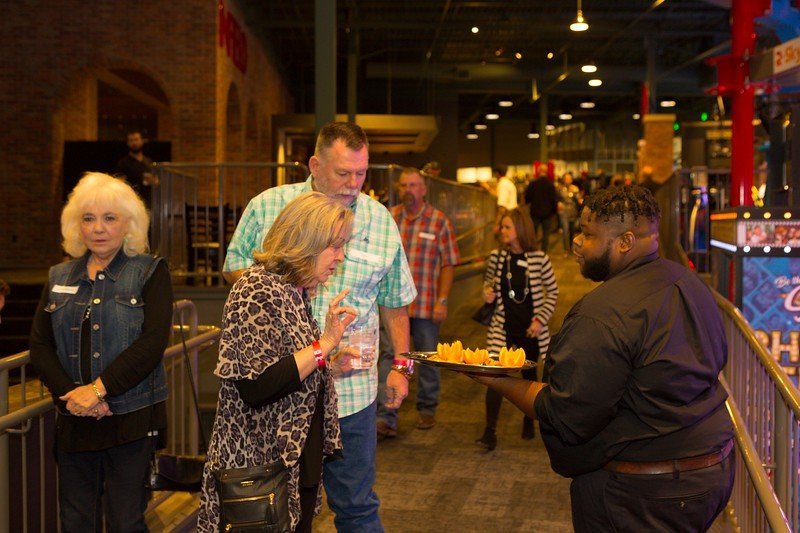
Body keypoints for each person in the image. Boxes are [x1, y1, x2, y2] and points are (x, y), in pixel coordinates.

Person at [471, 186, 734, 531]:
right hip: (712, 471)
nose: (576, 243)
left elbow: (566, 413)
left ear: (625, 241)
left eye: (588, 234)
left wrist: (495, 379)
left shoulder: (601, 314)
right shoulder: (690, 282)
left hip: (642, 490)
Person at [223, 121, 417, 531]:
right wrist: (287, 291)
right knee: (279, 508)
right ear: (314, 163)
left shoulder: (380, 220)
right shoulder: (268, 207)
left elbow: (395, 302)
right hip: (283, 397)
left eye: (361, 173)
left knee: (357, 506)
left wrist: (402, 366)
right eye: (343, 172)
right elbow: (236, 273)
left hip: (351, 394)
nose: (353, 184)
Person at [198, 192, 359, 532]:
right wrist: (325, 344)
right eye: (335, 246)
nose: (340, 257)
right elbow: (256, 386)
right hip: (259, 472)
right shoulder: (255, 289)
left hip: (291, 463)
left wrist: (328, 361)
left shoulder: (292, 290)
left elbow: (291, 365)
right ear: (306, 241)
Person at [29, 172, 172, 531]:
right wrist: (72, 398)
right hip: (75, 418)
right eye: (88, 218)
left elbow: (152, 342)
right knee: (76, 521)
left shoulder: (150, 271)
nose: (98, 228)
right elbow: (40, 345)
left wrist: (98, 390)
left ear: (129, 224)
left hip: (130, 419)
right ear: (76, 226)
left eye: (110, 218)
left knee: (126, 522)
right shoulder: (59, 275)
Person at [377, 167, 460, 436]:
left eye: (414, 185)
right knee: (389, 357)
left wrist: (443, 300)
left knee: (426, 358)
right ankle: (386, 416)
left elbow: (448, 263)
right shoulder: (390, 218)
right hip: (391, 305)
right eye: (404, 186)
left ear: (423, 190)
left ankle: (427, 409)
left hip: (424, 305)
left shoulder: (439, 221)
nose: (408, 190)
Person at [476, 208, 558, 450]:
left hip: (530, 329)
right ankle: (489, 432)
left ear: (520, 229)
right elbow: (488, 284)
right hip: (502, 325)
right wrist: (487, 293)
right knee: (493, 376)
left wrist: (540, 320)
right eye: (502, 227)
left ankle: (528, 418)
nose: (502, 231)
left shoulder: (539, 258)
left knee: (529, 375)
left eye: (507, 227)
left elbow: (552, 292)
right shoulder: (497, 257)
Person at [115, 130, 158, 207]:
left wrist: (154, 181)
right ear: (128, 143)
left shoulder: (148, 161)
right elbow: (119, 183)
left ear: (141, 141)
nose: (134, 143)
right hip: (131, 203)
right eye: (131, 140)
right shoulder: (123, 163)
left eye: (136, 139)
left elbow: (155, 180)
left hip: (148, 203)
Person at [524, 166, 558, 253]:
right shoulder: (551, 184)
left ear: (539, 171)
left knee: (534, 232)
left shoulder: (533, 184)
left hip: (535, 212)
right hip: (547, 213)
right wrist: (554, 212)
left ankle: (534, 250)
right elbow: (554, 199)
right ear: (546, 172)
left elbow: (527, 198)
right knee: (546, 233)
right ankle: (544, 251)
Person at [556, 172, 581, 256]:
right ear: (563, 179)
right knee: (565, 230)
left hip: (573, 212)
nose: (567, 180)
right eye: (566, 178)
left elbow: (578, 201)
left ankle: (570, 247)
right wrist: (558, 203)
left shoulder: (575, 189)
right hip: (563, 212)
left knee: (572, 231)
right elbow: (557, 199)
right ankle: (566, 249)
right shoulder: (559, 189)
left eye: (569, 178)